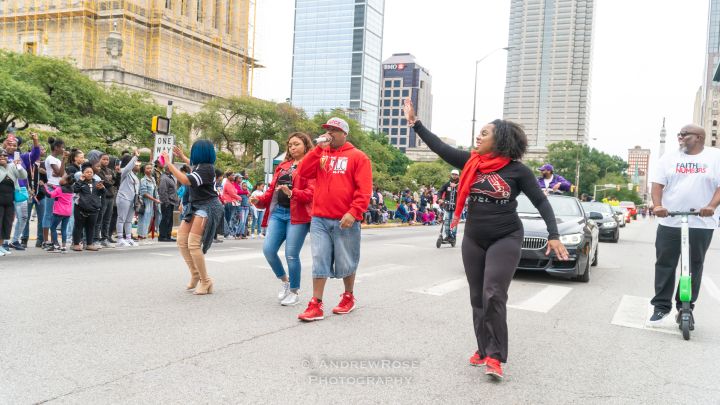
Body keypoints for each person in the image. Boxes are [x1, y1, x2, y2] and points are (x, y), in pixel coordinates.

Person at [404, 98, 568, 379]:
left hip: (506, 236)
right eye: (479, 132)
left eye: (484, 133)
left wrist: (554, 234)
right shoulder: (471, 162)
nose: (478, 136)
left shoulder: (518, 171)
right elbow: (439, 147)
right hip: (474, 237)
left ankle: (495, 356)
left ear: (500, 140)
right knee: (477, 297)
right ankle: (482, 349)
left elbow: (541, 202)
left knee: (494, 294)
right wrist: (415, 123)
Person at [294, 117, 372, 321]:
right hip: (319, 217)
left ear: (344, 134)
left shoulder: (358, 157)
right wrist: (318, 149)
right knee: (319, 258)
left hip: (344, 219)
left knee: (346, 260)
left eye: (334, 130)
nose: (329, 133)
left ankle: (348, 297)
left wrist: (354, 212)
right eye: (327, 129)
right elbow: (302, 173)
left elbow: (364, 190)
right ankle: (316, 304)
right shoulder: (321, 154)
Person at [648, 124, 720, 325]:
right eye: (678, 134)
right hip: (670, 220)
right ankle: (661, 307)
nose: (679, 137)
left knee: (694, 266)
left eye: (684, 134)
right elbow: (657, 184)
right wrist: (658, 205)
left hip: (701, 222)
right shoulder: (669, 158)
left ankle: (685, 307)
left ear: (698, 137)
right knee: (665, 264)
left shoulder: (715, 157)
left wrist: (711, 205)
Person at [252, 132, 315, 306]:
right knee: (268, 250)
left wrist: (292, 193)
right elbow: (272, 191)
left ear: (305, 145)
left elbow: (311, 193)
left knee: (291, 255)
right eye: (290, 145)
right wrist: (259, 200)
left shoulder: (310, 166)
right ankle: (285, 282)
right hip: (278, 213)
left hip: (298, 215)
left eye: (297, 144)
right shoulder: (283, 166)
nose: (293, 147)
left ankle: (294, 291)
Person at [160, 142, 224, 295]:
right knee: (181, 240)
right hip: (195, 206)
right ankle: (195, 274)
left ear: (199, 153)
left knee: (193, 244)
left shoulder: (207, 169)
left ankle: (205, 280)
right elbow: (192, 165)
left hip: (208, 207)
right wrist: (182, 157)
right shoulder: (201, 166)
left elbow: (185, 180)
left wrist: (169, 163)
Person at [4, 132, 40, 251]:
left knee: (23, 217)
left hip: (21, 191)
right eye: (10, 144)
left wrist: (35, 140)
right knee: (6, 218)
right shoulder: (2, 156)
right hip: (5, 191)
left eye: (15, 145)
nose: (12, 147)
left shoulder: (21, 157)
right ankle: (4, 241)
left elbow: (35, 154)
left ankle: (15, 240)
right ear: (5, 144)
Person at [0, 147, 28, 256]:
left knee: (6, 224)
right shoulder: (6, 168)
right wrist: (5, 168)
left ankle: (1, 246)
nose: (2, 157)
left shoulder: (12, 166)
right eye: (0, 155)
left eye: (4, 155)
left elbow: (24, 176)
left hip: (9, 200)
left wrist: (19, 166)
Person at [72, 162, 105, 251]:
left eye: (91, 172)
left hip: (94, 208)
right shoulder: (80, 182)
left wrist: (102, 188)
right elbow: (75, 189)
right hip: (80, 208)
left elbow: (102, 193)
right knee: (78, 226)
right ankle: (76, 244)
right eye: (87, 172)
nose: (89, 173)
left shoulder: (97, 183)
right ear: (83, 173)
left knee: (91, 227)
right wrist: (80, 180)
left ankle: (89, 244)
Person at [42, 138, 67, 250]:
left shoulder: (57, 160)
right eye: (62, 147)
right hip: (52, 188)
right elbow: (60, 173)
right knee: (49, 214)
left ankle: (53, 240)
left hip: (59, 188)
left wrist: (60, 172)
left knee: (55, 214)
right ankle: (45, 241)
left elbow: (64, 175)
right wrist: (64, 160)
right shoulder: (51, 159)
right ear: (56, 147)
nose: (63, 149)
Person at [115, 151, 140, 247]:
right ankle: (120, 239)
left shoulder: (134, 174)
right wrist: (135, 157)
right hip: (123, 198)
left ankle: (128, 238)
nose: (135, 164)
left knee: (129, 220)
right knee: (121, 219)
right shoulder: (124, 171)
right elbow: (129, 167)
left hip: (132, 200)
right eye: (133, 162)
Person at [43, 176, 73, 253]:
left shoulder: (59, 189)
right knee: (64, 229)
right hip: (67, 212)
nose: (60, 179)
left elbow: (50, 195)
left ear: (66, 182)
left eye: (62, 179)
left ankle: (56, 245)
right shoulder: (71, 189)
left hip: (59, 211)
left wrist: (44, 187)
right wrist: (51, 185)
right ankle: (63, 246)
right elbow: (57, 189)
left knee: (53, 227)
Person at [96, 153, 118, 246]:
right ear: (99, 159)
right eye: (104, 159)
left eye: (107, 159)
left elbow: (116, 181)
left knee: (107, 219)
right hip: (103, 197)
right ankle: (97, 238)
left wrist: (114, 179)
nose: (106, 161)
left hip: (111, 197)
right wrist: (111, 182)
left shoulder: (110, 170)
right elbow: (105, 182)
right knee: (99, 219)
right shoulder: (98, 170)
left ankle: (105, 238)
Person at [137, 163, 161, 243]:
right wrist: (154, 199)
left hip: (152, 203)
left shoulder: (153, 179)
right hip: (145, 202)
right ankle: (141, 236)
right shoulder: (143, 180)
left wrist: (156, 200)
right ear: (144, 170)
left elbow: (155, 191)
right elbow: (144, 193)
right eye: (147, 168)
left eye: (151, 168)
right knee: (143, 220)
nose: (150, 170)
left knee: (149, 220)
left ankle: (144, 236)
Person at [158, 163, 180, 242]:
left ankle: (168, 235)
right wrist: (166, 202)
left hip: (172, 202)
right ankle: (162, 236)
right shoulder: (164, 178)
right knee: (165, 219)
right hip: (167, 202)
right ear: (168, 169)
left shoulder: (170, 177)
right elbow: (163, 191)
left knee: (170, 220)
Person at [438, 169, 460, 242]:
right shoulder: (447, 184)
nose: (454, 176)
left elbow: (465, 191)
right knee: (446, 221)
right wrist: (440, 199)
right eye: (453, 174)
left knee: (454, 222)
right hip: (447, 206)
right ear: (451, 175)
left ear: (458, 175)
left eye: (456, 174)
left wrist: (457, 186)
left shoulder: (461, 184)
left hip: (456, 207)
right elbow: (440, 191)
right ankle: (448, 236)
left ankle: (453, 237)